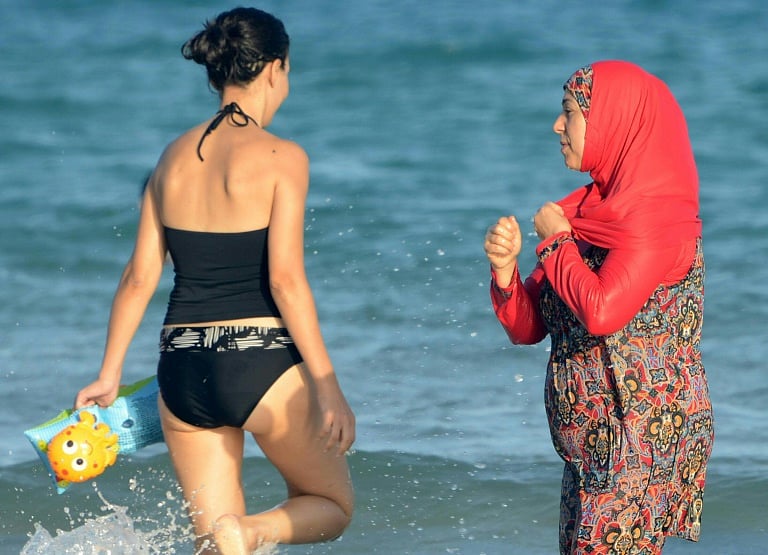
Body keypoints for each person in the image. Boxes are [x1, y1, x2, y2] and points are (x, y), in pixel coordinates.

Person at [75, 7, 355, 554]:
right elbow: (286, 281)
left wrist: (108, 374)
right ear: (275, 68)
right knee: (331, 507)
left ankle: (233, 533)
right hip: (260, 360)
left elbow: (139, 277)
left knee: (212, 542)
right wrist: (327, 385)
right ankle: (251, 530)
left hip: (182, 368)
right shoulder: (284, 158)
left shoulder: (170, 159)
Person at [484, 60, 714, 554]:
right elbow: (531, 327)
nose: (557, 125)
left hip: (638, 439)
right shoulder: (588, 213)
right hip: (592, 446)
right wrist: (505, 273)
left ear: (614, 121)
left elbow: (602, 310)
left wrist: (555, 245)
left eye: (569, 112)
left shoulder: (657, 217)